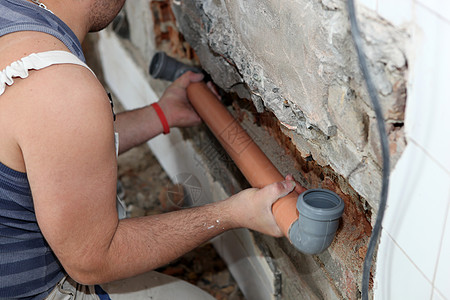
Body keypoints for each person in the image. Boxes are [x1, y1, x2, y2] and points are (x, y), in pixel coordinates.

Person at [0, 0, 299, 299]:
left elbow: (54, 145)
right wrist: (234, 214)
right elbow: (92, 261)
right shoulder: (57, 86)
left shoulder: (12, 20)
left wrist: (161, 114)